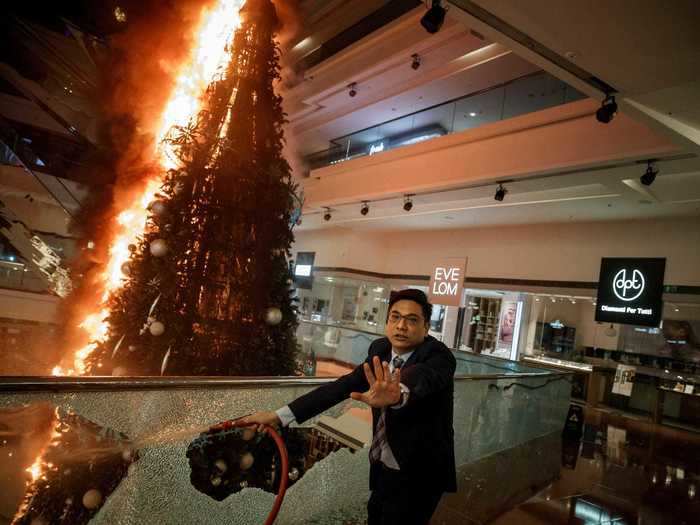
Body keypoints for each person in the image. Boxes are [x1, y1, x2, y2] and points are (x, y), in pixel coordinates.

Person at [243, 288, 457, 525]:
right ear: (387, 322)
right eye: (395, 317)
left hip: (421, 472)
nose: (401, 326)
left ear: (426, 328)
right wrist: (280, 416)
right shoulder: (380, 350)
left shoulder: (439, 356)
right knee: (375, 516)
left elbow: (423, 378)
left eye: (412, 320)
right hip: (384, 464)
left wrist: (397, 394)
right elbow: (341, 387)